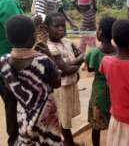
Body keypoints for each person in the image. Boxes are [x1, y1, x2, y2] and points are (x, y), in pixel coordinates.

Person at [0, 15, 62, 145]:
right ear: (33, 36)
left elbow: (8, 87)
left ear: (8, 37)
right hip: (47, 119)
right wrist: (51, 59)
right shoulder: (43, 61)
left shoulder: (3, 63)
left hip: (24, 116)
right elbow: (57, 83)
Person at [45, 12, 84, 146]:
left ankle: (69, 142)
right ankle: (69, 144)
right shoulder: (49, 47)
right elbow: (67, 69)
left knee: (66, 118)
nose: (61, 28)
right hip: (61, 88)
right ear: (47, 28)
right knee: (64, 119)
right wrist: (77, 62)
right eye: (57, 26)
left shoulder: (67, 41)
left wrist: (70, 66)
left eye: (63, 25)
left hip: (70, 83)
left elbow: (69, 66)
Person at [0, 0, 23, 146]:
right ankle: (15, 140)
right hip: (7, 62)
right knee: (13, 103)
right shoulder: (5, 0)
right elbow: (17, 34)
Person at [85, 17, 116, 146]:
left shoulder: (93, 53)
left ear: (100, 32)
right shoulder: (119, 53)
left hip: (99, 94)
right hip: (115, 93)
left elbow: (90, 68)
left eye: (97, 28)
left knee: (96, 126)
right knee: (114, 125)